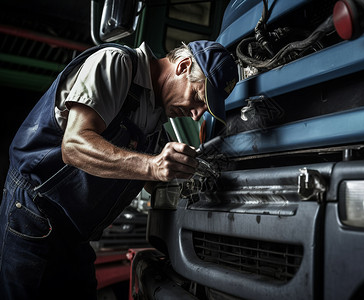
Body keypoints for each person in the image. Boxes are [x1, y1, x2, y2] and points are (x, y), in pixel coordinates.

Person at [0, 40, 238, 299]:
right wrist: (154, 166)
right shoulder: (117, 64)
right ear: (182, 66)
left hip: (75, 233)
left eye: (204, 110)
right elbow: (75, 146)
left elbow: (156, 184)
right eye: (197, 98)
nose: (195, 115)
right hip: (34, 212)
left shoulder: (155, 122)